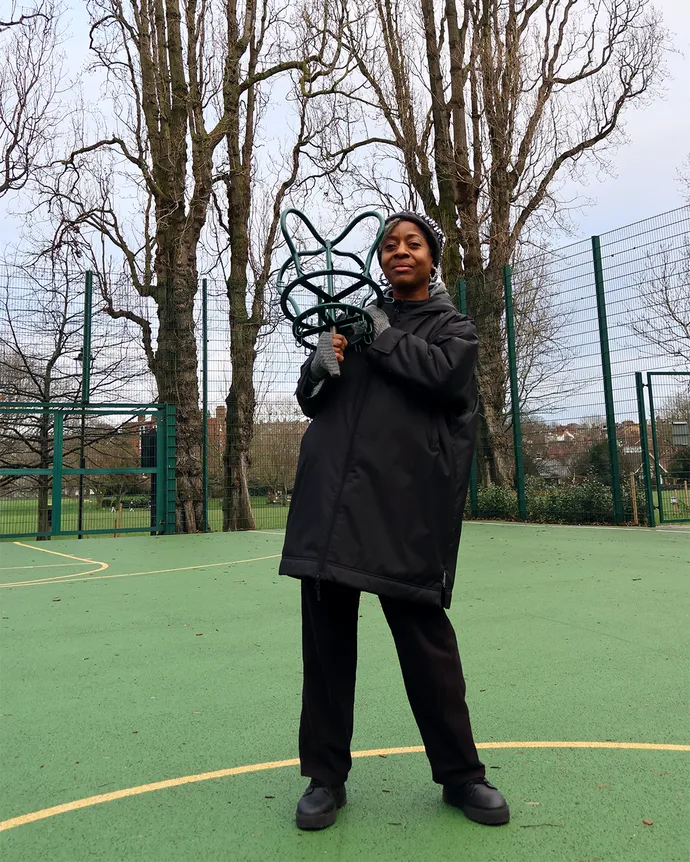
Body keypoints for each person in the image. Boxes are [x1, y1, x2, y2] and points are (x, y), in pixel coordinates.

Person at [280, 212, 509, 830]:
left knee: (427, 647)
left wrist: (379, 335)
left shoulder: (453, 329)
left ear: (433, 259)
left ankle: (462, 776)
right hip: (330, 508)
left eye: (412, 244)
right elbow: (313, 401)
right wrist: (317, 368)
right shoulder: (355, 322)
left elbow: (444, 379)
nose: (399, 252)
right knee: (325, 652)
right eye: (388, 245)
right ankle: (324, 778)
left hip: (405, 512)